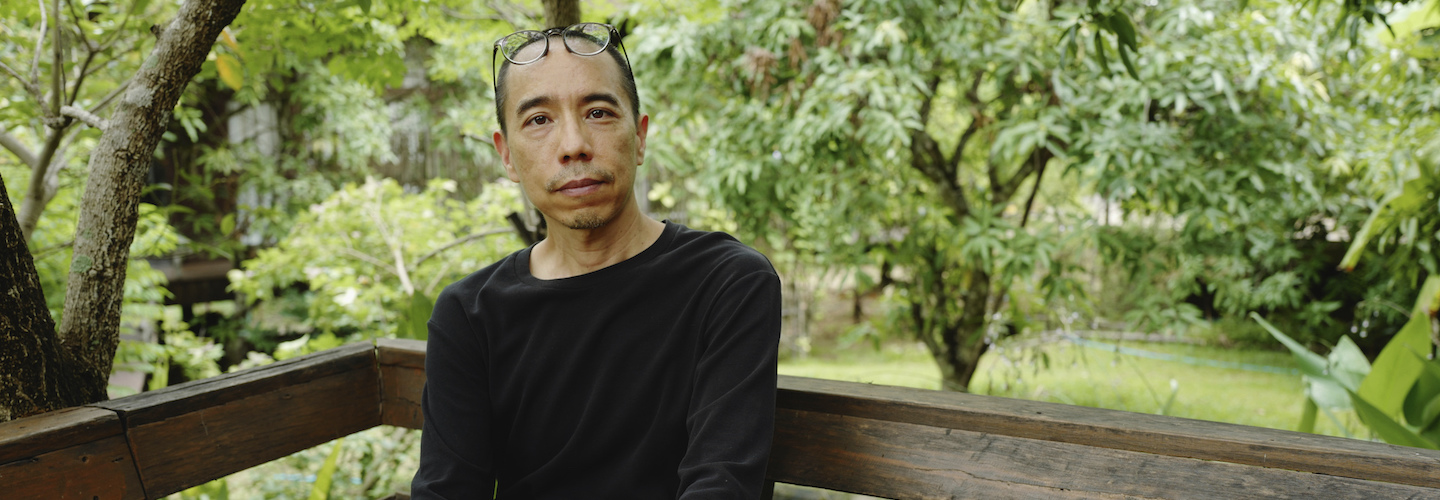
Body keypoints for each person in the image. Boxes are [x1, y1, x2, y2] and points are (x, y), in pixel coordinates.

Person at [410, 23, 782, 499]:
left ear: (640, 136)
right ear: (506, 156)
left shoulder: (727, 284)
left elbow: (722, 485)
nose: (573, 145)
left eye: (599, 112)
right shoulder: (470, 313)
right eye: (538, 120)